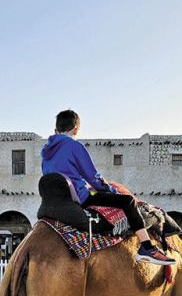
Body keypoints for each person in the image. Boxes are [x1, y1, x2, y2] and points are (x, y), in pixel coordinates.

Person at [41, 109, 175, 265]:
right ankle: (147, 248)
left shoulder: (45, 153)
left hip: (55, 201)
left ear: (55, 130)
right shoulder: (74, 146)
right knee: (128, 202)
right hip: (79, 198)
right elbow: (93, 178)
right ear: (76, 129)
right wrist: (110, 190)